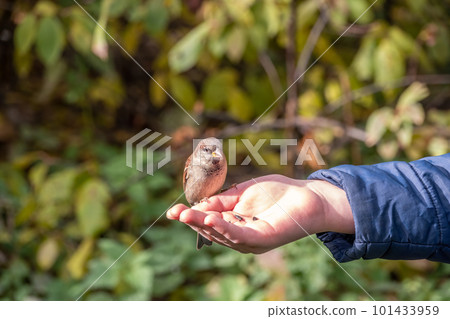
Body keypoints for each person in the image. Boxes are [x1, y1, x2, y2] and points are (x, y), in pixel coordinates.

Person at [167, 153, 450, 263]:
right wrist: (323, 198)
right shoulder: (192, 163)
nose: (216, 156)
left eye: (217, 151)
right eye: (209, 151)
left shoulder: (220, 160)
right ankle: (202, 230)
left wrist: (322, 202)